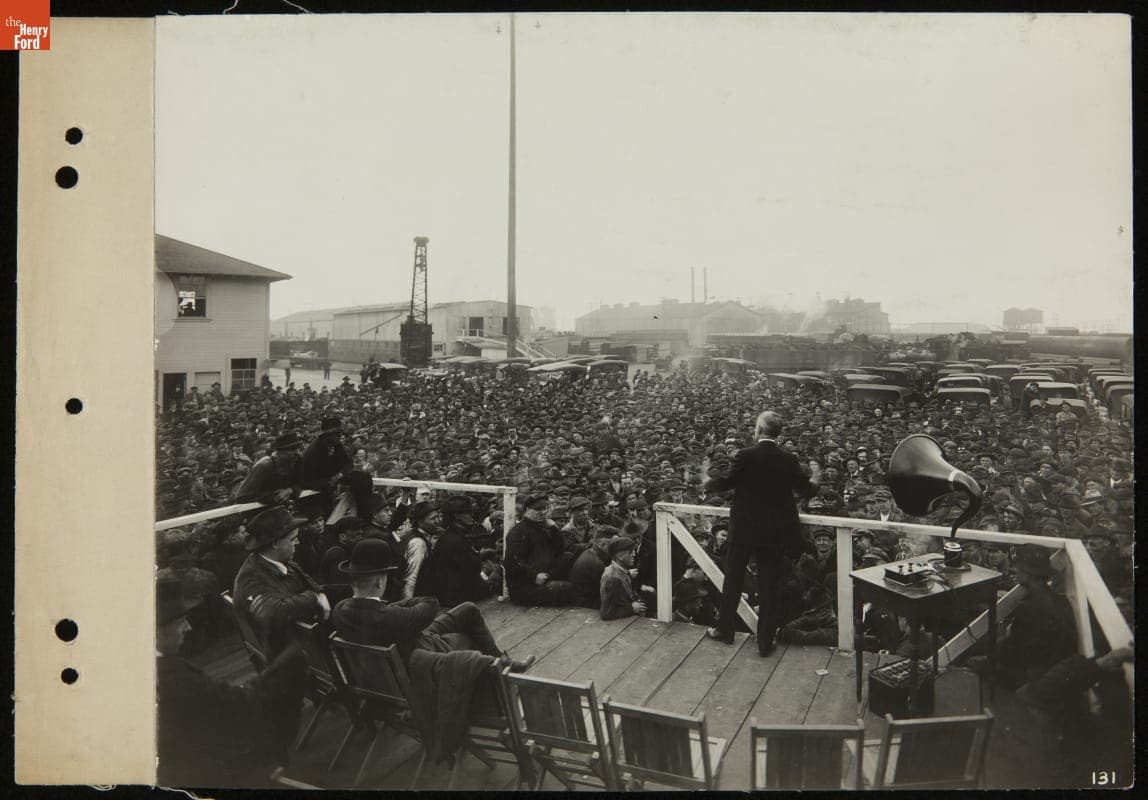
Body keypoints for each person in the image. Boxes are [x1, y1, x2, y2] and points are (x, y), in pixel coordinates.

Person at [156, 578, 308, 788]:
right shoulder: (172, 678)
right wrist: (286, 666)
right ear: (155, 632)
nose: (188, 628)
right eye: (180, 622)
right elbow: (235, 706)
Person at [704, 410, 820, 656]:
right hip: (773, 534)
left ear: (758, 430)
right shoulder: (788, 459)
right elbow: (806, 489)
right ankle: (765, 642)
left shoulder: (745, 455)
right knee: (769, 586)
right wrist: (816, 478)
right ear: (778, 433)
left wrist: (706, 477)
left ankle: (725, 630)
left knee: (732, 580)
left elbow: (725, 483)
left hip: (744, 530)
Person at [331, 538, 533, 671]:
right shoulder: (390, 617)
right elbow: (430, 603)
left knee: (468, 610)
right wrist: (406, 604)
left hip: (399, 647)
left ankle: (502, 663)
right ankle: (499, 667)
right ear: (379, 582)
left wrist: (399, 606)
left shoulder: (341, 609)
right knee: (463, 636)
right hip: (419, 656)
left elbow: (397, 613)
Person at [233, 505, 330, 659]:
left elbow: (311, 582)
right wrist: (314, 597)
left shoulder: (280, 561)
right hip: (289, 657)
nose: (297, 543)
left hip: (300, 642)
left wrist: (321, 594)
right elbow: (275, 612)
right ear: (276, 542)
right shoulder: (251, 579)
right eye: (292, 539)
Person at [504, 494, 579, 606]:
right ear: (527, 510)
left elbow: (559, 551)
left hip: (544, 574)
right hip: (525, 586)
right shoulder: (517, 532)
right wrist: (534, 576)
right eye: (538, 509)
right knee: (569, 590)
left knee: (568, 557)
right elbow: (512, 563)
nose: (543, 512)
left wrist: (554, 529)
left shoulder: (542, 526)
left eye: (545, 508)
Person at [234, 432, 304, 504]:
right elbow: (241, 497)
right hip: (261, 511)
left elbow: (302, 482)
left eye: (297, 449)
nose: (296, 453)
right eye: (291, 450)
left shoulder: (295, 461)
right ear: (280, 451)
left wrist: (290, 490)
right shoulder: (264, 466)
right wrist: (275, 495)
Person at [599, 537, 646, 620]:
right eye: (630, 552)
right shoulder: (613, 579)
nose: (634, 554)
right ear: (620, 556)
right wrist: (632, 608)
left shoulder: (621, 570)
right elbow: (606, 613)